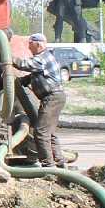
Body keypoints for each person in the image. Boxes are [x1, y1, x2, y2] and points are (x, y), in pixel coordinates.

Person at [13, 34, 69, 167]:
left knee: (40, 131)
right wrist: (18, 81)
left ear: (38, 44)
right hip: (53, 98)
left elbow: (24, 64)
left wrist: (7, 58)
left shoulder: (43, 58)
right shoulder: (42, 60)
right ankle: (59, 161)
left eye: (30, 45)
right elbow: (32, 76)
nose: (28, 48)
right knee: (49, 132)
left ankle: (48, 166)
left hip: (52, 98)